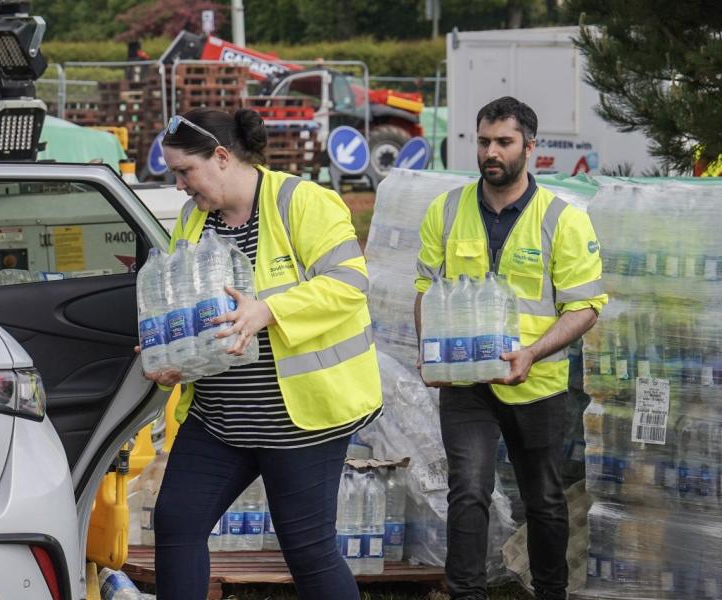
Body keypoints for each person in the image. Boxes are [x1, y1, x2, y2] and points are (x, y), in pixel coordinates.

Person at [140, 107, 382, 600]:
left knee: (307, 549)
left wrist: (266, 310)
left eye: (185, 171)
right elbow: (187, 304)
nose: (180, 186)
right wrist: (169, 352)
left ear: (223, 157)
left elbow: (350, 283)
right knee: (176, 522)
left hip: (300, 418)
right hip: (220, 417)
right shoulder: (192, 218)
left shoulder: (303, 202)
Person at [413, 96, 607, 600]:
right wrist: (428, 354)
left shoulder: (563, 219)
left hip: (536, 381)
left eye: (503, 142)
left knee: (543, 499)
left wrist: (532, 354)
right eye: (483, 142)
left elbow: (585, 307)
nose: (491, 152)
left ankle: (550, 592)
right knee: (470, 490)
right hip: (464, 380)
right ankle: (466, 593)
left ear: (530, 147)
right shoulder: (447, 209)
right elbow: (425, 292)